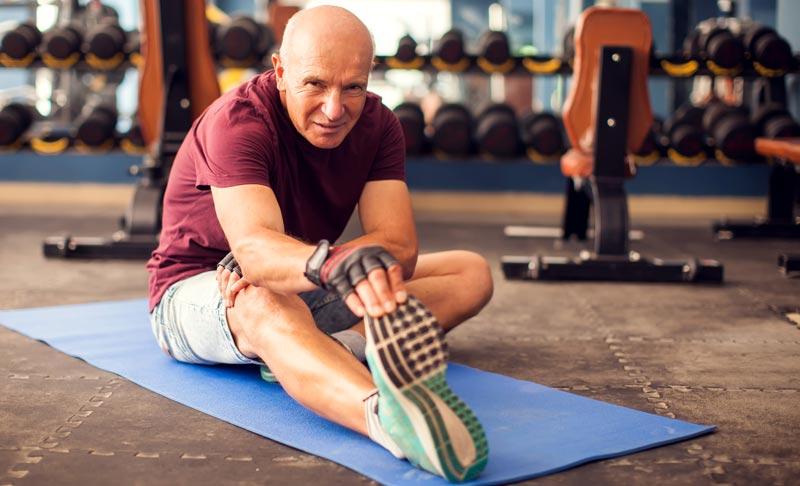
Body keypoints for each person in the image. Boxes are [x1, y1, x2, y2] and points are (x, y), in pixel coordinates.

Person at [146, 5, 493, 482]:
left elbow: (401, 248)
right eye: (315, 84)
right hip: (197, 293)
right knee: (263, 297)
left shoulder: (378, 126)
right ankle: (388, 418)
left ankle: (328, 349)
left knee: (469, 272)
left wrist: (319, 261)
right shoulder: (237, 121)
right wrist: (311, 262)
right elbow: (255, 252)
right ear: (281, 70)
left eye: (353, 86)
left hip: (304, 277)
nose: (335, 109)